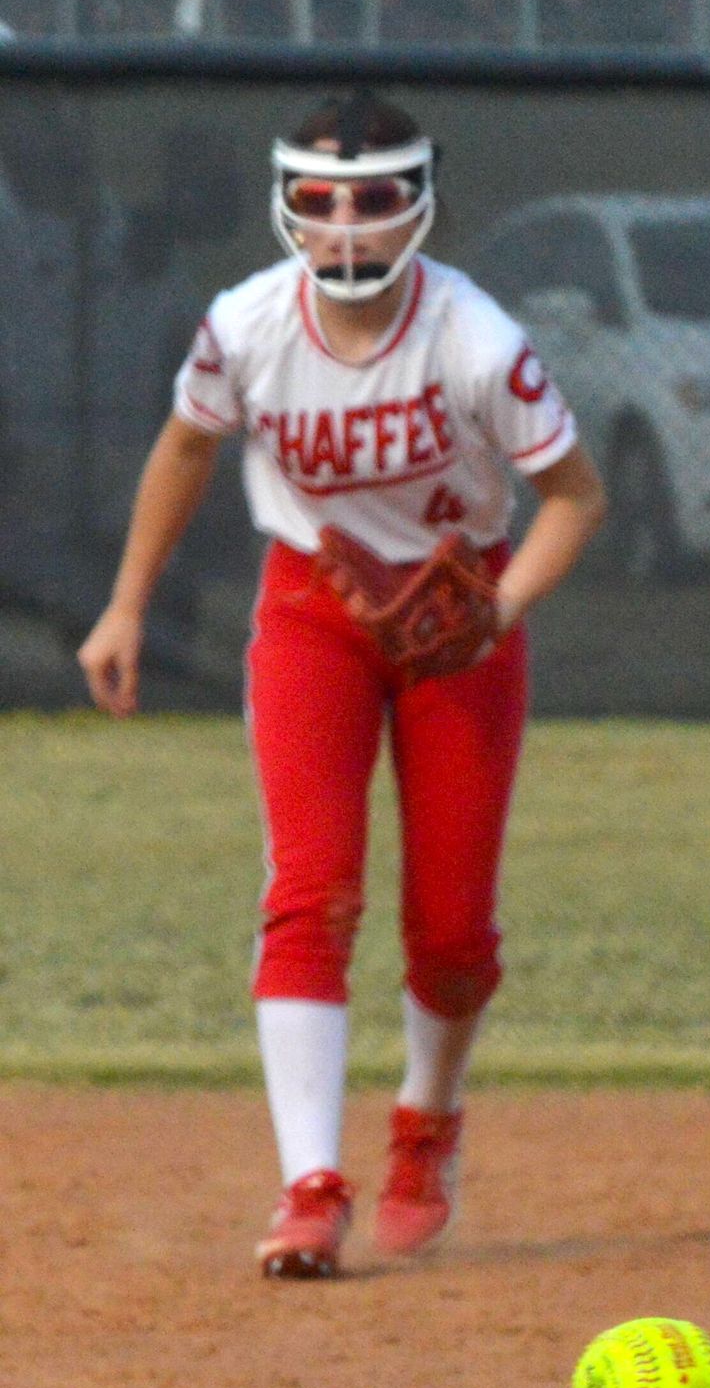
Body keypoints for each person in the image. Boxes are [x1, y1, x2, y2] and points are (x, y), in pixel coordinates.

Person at [78, 89, 607, 1278]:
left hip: (457, 613)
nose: (350, 230)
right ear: (287, 210)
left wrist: (499, 607)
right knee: (309, 893)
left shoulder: (474, 338)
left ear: (422, 203)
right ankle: (310, 1186)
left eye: (376, 201)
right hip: (313, 611)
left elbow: (576, 497)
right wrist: (125, 602)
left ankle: (426, 1120)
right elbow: (186, 445)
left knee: (454, 932)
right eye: (322, 204)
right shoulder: (250, 324)